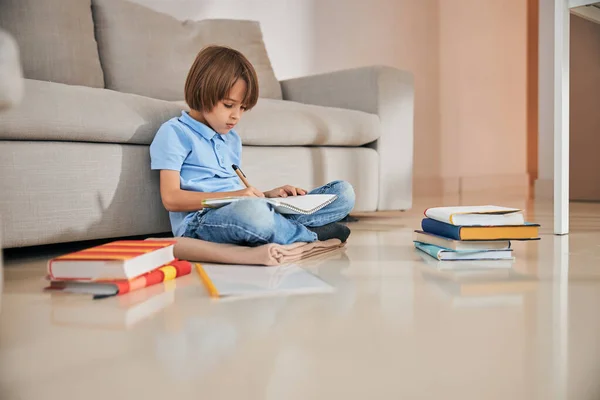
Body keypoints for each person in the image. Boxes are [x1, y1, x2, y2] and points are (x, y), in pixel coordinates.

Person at [150, 45, 354, 246]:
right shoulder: (175, 133)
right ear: (203, 92)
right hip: (200, 222)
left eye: (243, 108)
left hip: (241, 210)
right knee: (253, 215)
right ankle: (310, 234)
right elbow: (171, 199)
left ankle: (283, 229)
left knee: (343, 193)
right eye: (229, 105)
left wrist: (267, 195)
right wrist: (237, 198)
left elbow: (239, 193)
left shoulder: (230, 138)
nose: (236, 116)